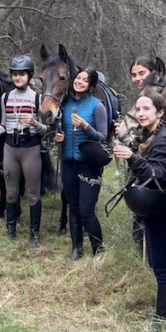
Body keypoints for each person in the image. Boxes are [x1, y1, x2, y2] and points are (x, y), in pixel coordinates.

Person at [114, 92, 166, 326]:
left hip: (165, 210)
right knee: (157, 260)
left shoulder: (164, 139)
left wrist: (133, 158)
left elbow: (159, 175)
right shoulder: (150, 136)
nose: (141, 113)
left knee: (161, 261)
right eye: (138, 109)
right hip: (161, 209)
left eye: (147, 108)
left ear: (160, 112)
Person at [0, 55, 48, 248]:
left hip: (31, 148)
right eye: (14, 74)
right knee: (10, 193)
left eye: (21, 74)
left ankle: (34, 237)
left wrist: (34, 123)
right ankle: (10, 232)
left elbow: (46, 130)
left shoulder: (37, 98)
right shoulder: (5, 98)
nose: (17, 78)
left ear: (29, 76)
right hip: (10, 148)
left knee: (32, 193)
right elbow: (4, 124)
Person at [55, 68, 108, 259]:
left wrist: (86, 127)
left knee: (87, 210)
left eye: (85, 80)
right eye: (78, 78)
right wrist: (58, 137)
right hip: (69, 163)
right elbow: (61, 131)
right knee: (74, 207)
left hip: (89, 164)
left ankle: (98, 252)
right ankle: (76, 249)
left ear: (91, 85)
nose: (79, 82)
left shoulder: (97, 106)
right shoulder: (66, 105)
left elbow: (103, 137)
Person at [128, 56, 157, 255]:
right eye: (134, 75)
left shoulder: (156, 97)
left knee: (149, 207)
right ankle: (140, 254)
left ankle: (149, 256)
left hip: (152, 162)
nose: (137, 78)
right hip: (136, 159)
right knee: (137, 207)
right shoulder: (141, 97)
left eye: (141, 73)